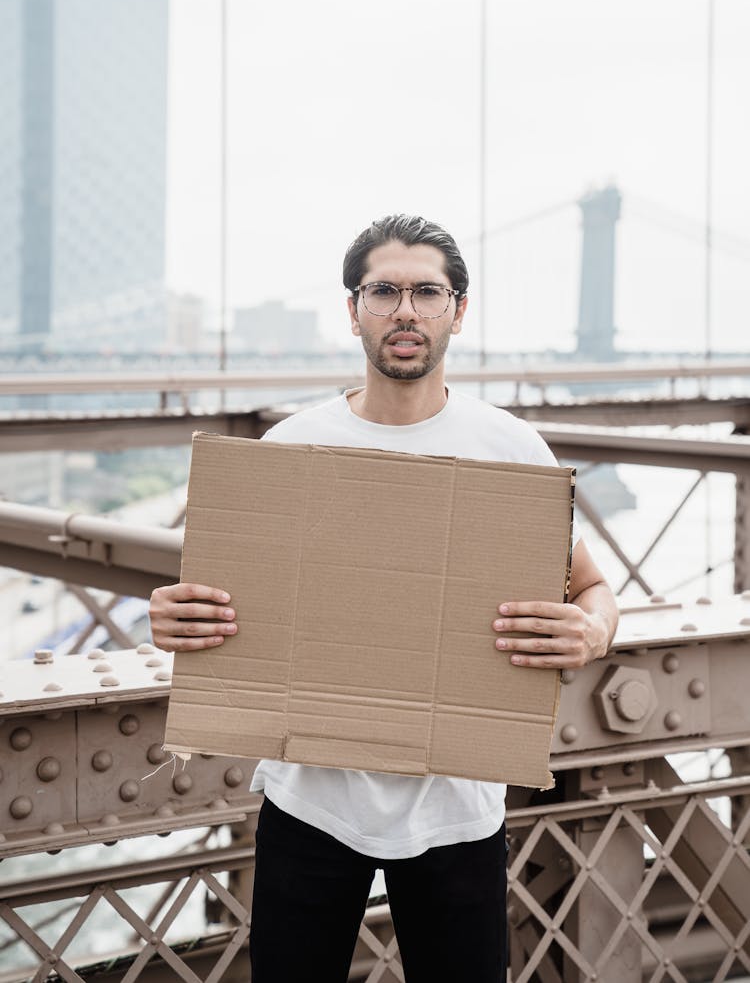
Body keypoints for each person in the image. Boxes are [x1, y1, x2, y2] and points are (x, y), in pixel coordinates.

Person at [149, 214, 618, 983]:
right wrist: (174, 618)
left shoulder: (512, 449)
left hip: (458, 810)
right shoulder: (293, 445)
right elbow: (224, 607)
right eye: (385, 290)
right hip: (311, 802)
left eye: (427, 291)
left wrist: (590, 631)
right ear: (354, 308)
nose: (406, 310)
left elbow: (593, 588)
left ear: (458, 311)